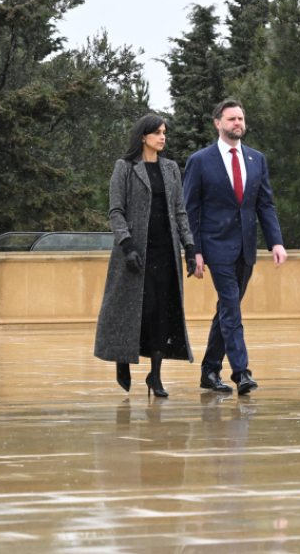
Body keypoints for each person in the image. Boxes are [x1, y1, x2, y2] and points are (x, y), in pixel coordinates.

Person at [183, 99, 287, 396]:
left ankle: (209, 371)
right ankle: (242, 372)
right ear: (218, 123)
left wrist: (276, 241)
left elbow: (265, 204)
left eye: (241, 118)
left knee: (227, 310)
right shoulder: (200, 160)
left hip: (246, 247)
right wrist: (195, 251)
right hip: (215, 247)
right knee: (230, 306)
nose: (237, 123)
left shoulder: (256, 159)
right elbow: (191, 210)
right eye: (231, 119)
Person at [95, 115, 196, 397]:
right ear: (143, 136)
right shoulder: (125, 167)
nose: (163, 137)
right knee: (134, 310)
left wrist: (189, 247)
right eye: (157, 133)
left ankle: (156, 376)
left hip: (166, 252)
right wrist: (126, 244)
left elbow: (180, 211)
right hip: (135, 253)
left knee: (163, 312)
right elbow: (116, 210)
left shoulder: (171, 168)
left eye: (164, 133)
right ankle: (122, 358)